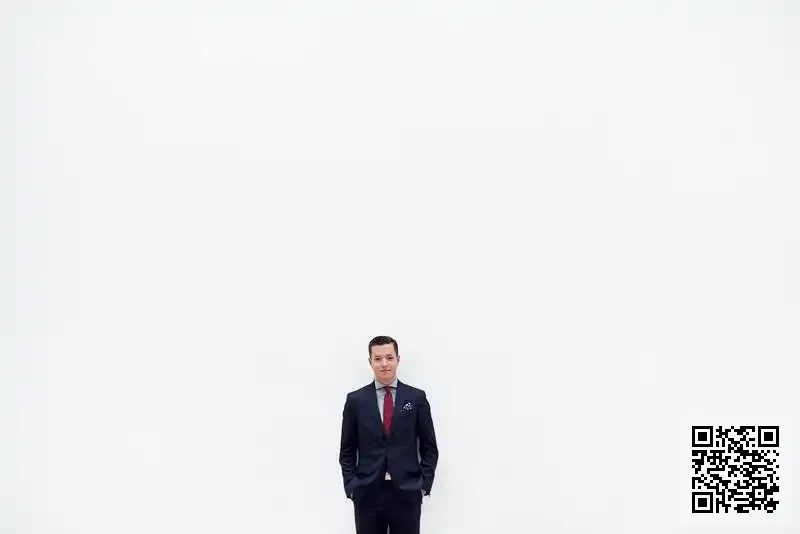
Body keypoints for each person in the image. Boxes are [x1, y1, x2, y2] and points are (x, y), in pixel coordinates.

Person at [339, 335, 439, 534]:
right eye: (378, 359)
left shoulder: (416, 398)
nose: (384, 364)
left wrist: (422, 485)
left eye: (389, 357)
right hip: (367, 494)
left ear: (398, 359)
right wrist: (352, 486)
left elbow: (429, 448)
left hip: (407, 492)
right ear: (370, 362)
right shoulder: (356, 400)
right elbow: (347, 450)